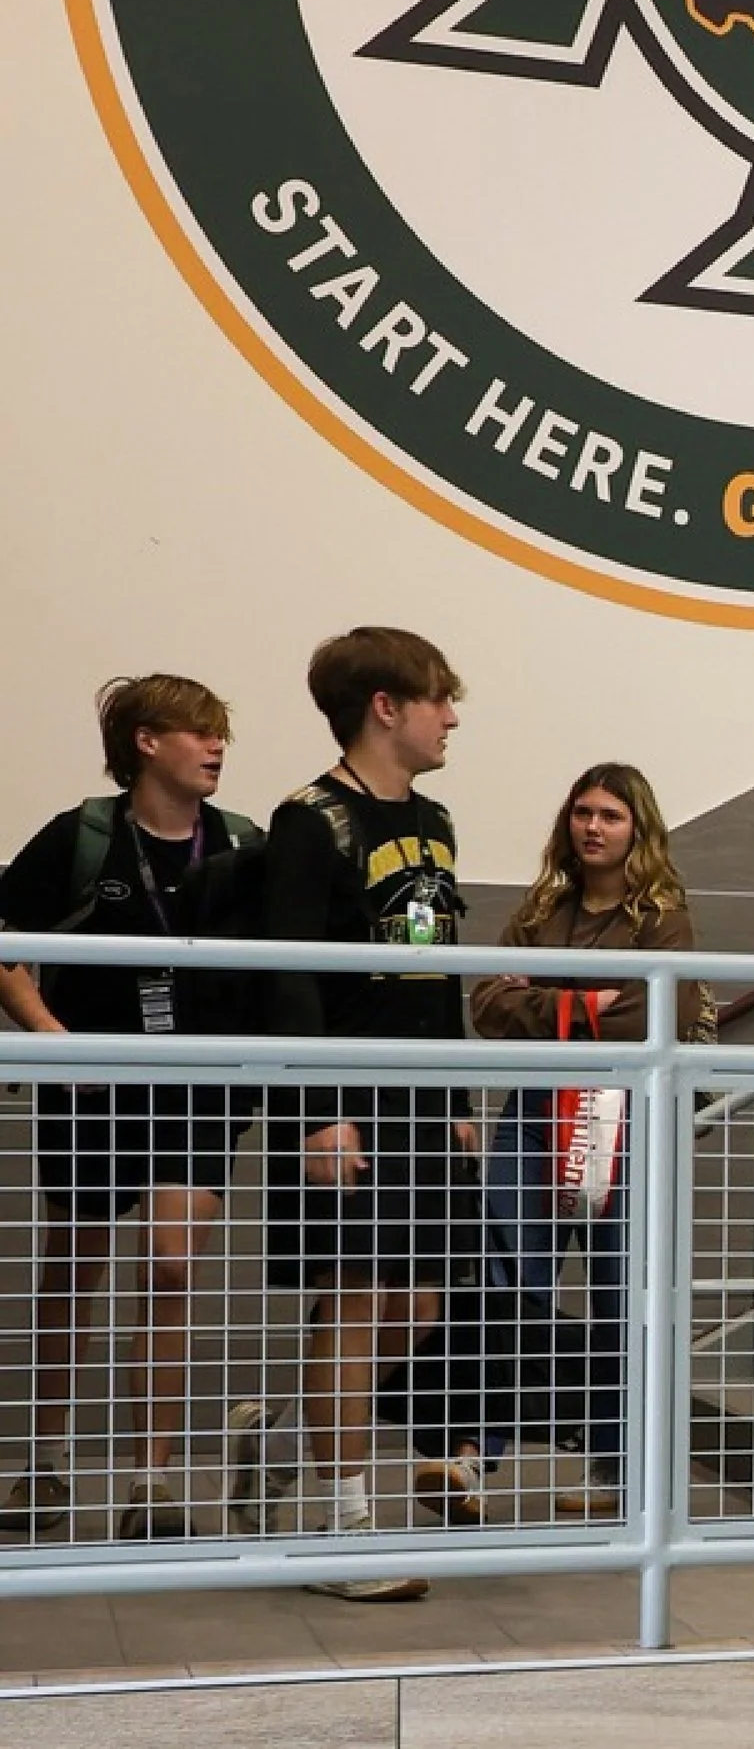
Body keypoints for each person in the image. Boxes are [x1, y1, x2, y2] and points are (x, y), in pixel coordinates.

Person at [224, 627, 473, 1602]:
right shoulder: (309, 820)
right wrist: (316, 1113)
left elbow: (439, 970)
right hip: (346, 1102)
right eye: (438, 699)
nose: (450, 718)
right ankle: (344, 1527)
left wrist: (457, 1099)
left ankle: (283, 1441)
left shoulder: (436, 818)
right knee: (359, 1297)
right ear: (385, 706)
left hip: (422, 1101)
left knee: (417, 1305)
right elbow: (287, 974)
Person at [0, 676, 257, 1541]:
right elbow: (5, 944)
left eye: (220, 735)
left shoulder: (240, 844)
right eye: (199, 732)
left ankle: (153, 1480)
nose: (216, 748)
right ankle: (45, 1465)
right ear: (147, 742)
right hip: (94, 1088)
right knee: (74, 1266)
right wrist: (50, 1035)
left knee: (172, 1267)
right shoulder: (83, 836)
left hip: (200, 1089)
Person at [429, 764, 711, 1523]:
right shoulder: (542, 907)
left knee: (623, 1296)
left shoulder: (663, 917)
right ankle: (470, 1457)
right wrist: (587, 1005)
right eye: (583, 812)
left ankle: (620, 1471)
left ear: (637, 829)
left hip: (625, 1120)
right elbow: (488, 1002)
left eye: (611, 816)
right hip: (533, 1113)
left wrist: (543, 1001)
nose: (593, 827)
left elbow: (655, 1015)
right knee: (504, 1285)